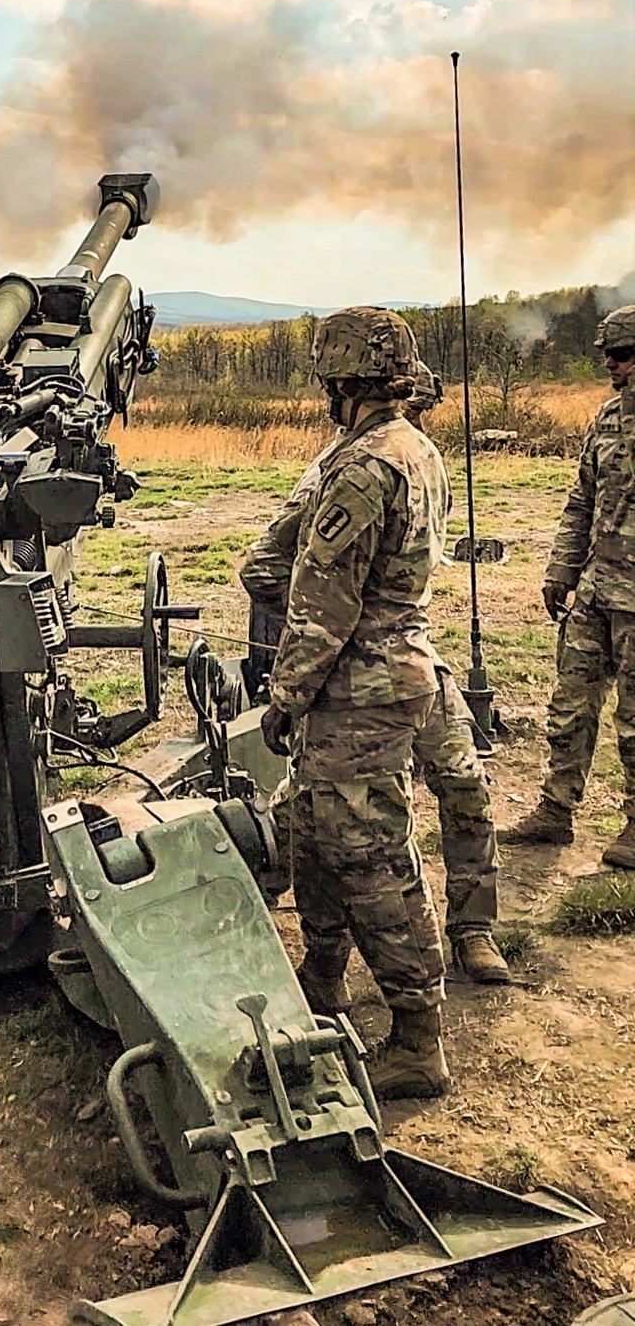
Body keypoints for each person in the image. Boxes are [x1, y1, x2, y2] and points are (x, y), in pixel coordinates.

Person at [241, 360, 509, 989]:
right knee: (330, 823)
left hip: (409, 662)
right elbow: (272, 564)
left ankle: (474, 930)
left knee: (462, 788)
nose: (419, 411)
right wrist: (309, 658)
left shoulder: (415, 455)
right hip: (357, 674)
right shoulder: (342, 468)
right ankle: (326, 959)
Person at [245, 306, 452, 1101]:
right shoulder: (413, 447)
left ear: (340, 379)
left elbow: (321, 604)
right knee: (317, 829)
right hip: (378, 679)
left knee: (373, 857)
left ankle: (417, 1035)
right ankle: (323, 976)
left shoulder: (364, 467)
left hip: (358, 689)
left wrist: (285, 696)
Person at [505, 304, 635, 868]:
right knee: (571, 705)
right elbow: (581, 501)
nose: (612, 363)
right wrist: (562, 569)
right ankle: (555, 812)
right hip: (596, 589)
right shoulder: (607, 419)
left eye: (623, 354)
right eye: (608, 353)